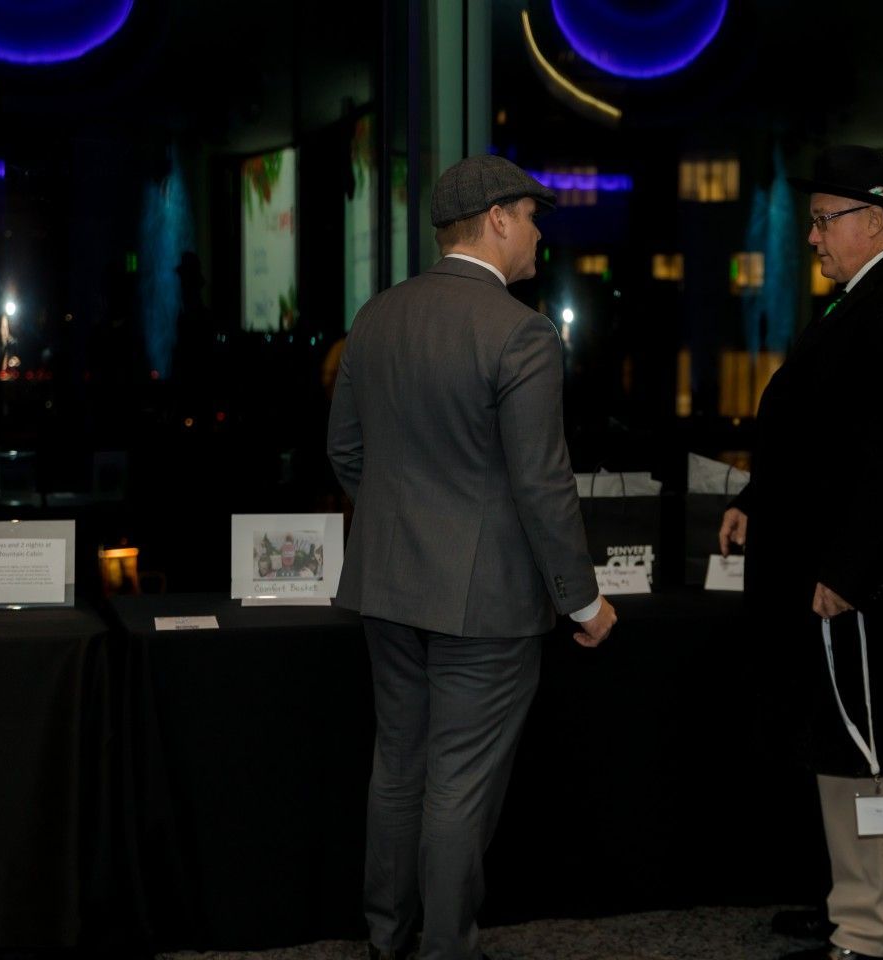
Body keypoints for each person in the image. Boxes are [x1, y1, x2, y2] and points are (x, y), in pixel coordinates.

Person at [327, 154, 617, 960]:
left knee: (398, 769)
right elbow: (542, 485)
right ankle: (445, 950)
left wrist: (401, 522)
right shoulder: (520, 332)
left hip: (388, 588)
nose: (536, 235)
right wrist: (584, 602)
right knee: (456, 787)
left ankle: (386, 940)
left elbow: (346, 453)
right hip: (483, 604)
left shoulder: (376, 316)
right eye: (531, 216)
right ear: (496, 218)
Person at [718, 145, 883, 960]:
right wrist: (759, 502)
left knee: (871, 758)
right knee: (841, 750)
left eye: (826, 222)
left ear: (876, 219)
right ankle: (852, 907)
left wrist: (850, 571)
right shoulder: (863, 298)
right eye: (814, 222)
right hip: (833, 575)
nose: (815, 238)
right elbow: (823, 436)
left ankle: (876, 933)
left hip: (865, 592)